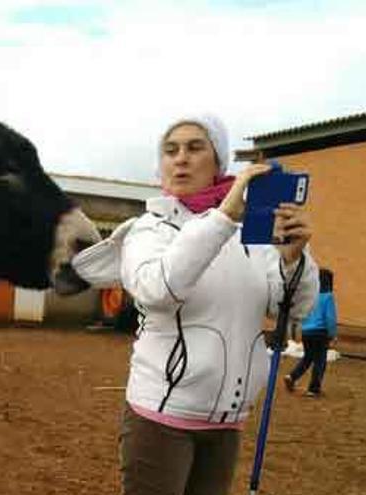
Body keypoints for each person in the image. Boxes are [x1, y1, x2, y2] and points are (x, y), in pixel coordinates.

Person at [96, 114, 320, 495]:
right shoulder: (150, 229)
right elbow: (156, 292)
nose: (180, 158)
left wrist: (293, 260)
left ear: (218, 162)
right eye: (170, 150)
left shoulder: (252, 235)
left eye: (195, 147)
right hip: (162, 416)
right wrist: (221, 220)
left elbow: (291, 309)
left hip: (227, 419)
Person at [284, 267, 337, 397]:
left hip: (306, 332)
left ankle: (292, 376)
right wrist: (332, 334)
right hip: (320, 333)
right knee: (320, 361)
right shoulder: (328, 297)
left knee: (308, 358)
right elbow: (330, 317)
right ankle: (314, 388)